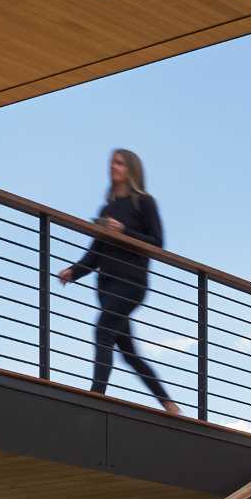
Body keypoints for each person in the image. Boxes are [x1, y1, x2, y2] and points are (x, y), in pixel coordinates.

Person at [58, 147, 180, 414]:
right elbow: (96, 252)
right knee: (127, 352)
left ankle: (96, 395)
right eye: (112, 163)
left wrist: (124, 231)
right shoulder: (108, 208)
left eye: (120, 163)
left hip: (132, 283)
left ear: (132, 170)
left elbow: (157, 243)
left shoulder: (144, 202)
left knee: (102, 330)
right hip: (106, 286)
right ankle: (168, 403)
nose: (114, 167)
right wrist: (74, 271)